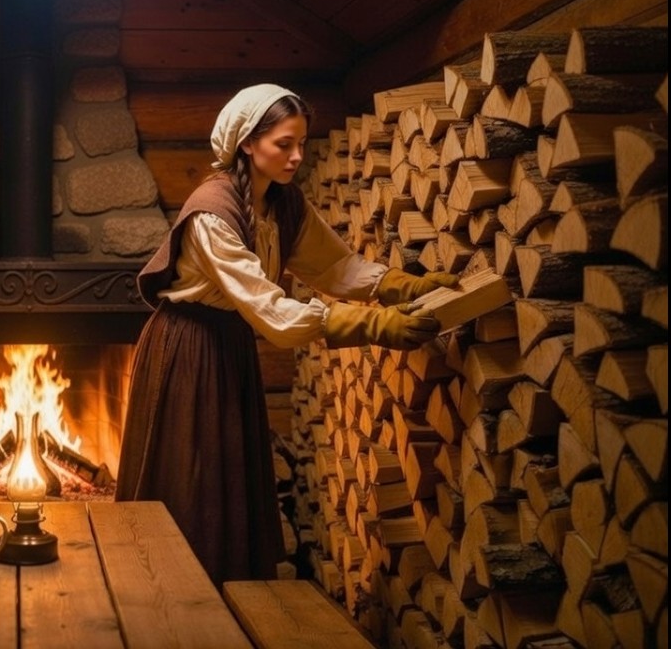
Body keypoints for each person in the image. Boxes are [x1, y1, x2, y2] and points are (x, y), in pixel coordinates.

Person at [114, 83, 458, 584]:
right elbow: (271, 311)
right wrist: (374, 324)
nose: (298, 156)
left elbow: (335, 266)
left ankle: (227, 600)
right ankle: (170, 596)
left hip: (228, 345)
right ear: (247, 143)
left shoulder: (282, 203)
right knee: (191, 481)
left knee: (226, 482)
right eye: (284, 144)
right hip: (188, 352)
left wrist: (402, 287)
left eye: (302, 142)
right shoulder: (213, 213)